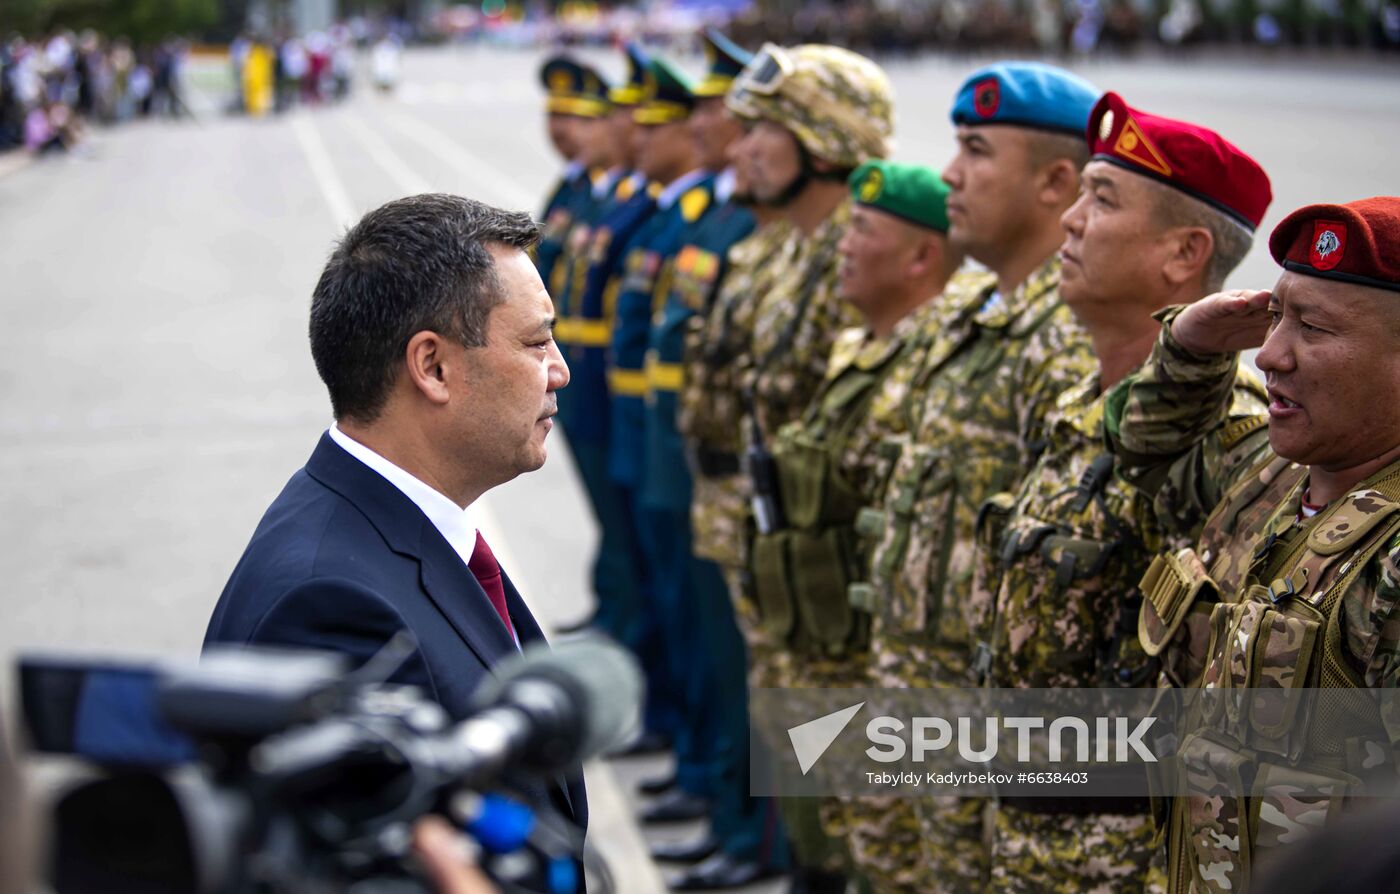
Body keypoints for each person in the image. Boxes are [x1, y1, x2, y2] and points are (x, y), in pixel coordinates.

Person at [967, 91, 1272, 893]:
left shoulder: (1226, 432)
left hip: (1125, 858)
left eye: (1101, 201)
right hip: (1029, 829)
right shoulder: (1082, 399)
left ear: (1184, 255)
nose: (1069, 220)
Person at [204, 194, 584, 829]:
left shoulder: (390, 526)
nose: (559, 371)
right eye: (536, 341)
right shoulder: (331, 608)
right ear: (432, 366)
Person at [1106, 195, 1400, 893]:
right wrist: (1190, 348)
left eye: (1314, 327)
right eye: (1275, 316)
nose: (1269, 354)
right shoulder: (1271, 474)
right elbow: (1152, 454)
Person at [861, 62, 1100, 892]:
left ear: (1055, 182)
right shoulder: (968, 312)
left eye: (976, 151)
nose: (951, 174)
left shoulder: (1064, 339)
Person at [725, 41, 894, 892]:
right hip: (781, 552)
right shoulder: (797, 248)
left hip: (830, 580)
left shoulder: (854, 261)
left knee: (845, 787)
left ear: (826, 143)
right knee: (797, 761)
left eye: (768, 131)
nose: (740, 148)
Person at [606, 55, 719, 827]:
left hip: (705, 456)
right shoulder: (696, 217)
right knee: (680, 606)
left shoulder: (727, 221)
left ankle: (740, 814)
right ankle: (706, 774)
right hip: (656, 431)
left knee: (718, 633)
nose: (635, 136)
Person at [534, 55, 595, 297]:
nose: (558, 129)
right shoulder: (570, 182)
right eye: (553, 115)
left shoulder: (598, 187)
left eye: (568, 117)